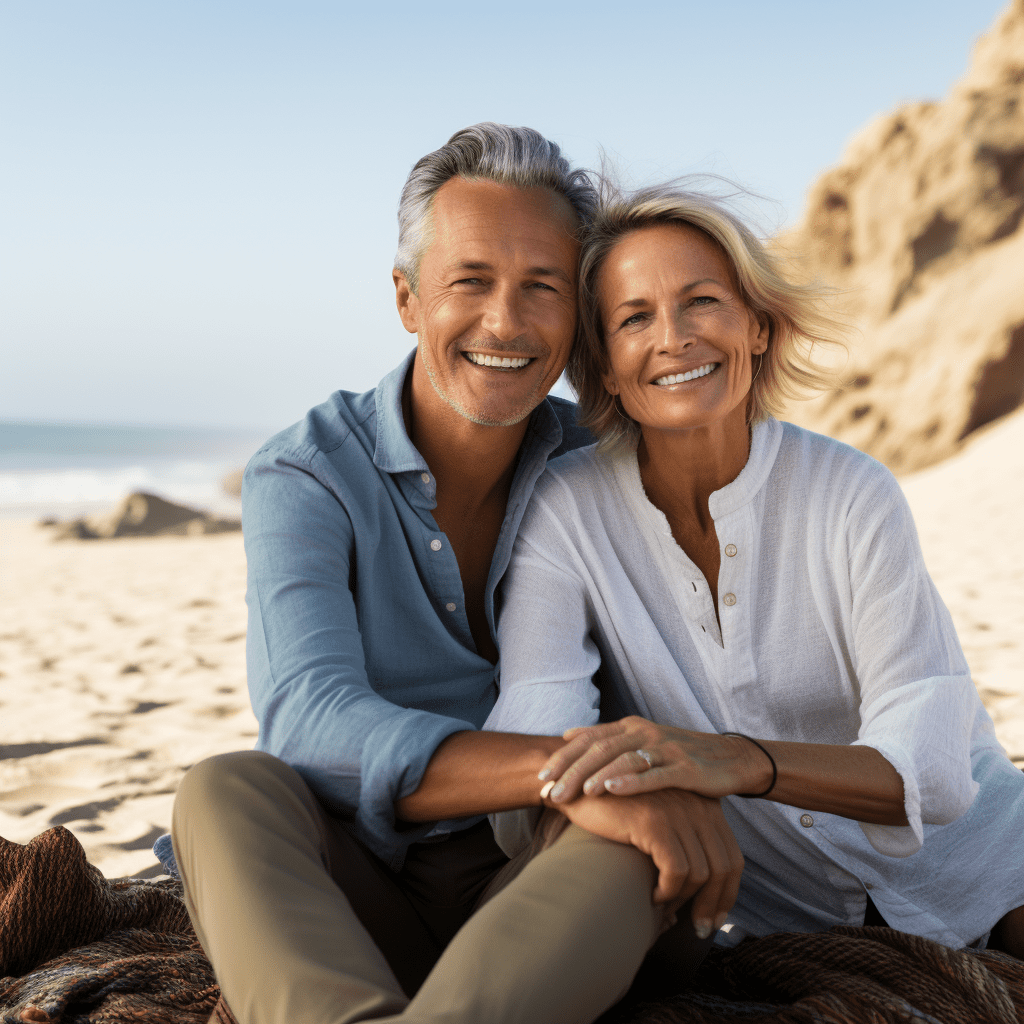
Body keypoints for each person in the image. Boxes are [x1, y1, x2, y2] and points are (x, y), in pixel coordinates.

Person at [169, 126, 743, 1024]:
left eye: (542, 287)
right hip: (369, 892)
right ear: (407, 298)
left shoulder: (609, 466)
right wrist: (563, 769)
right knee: (223, 788)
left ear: (578, 313)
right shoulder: (307, 473)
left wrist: (604, 788)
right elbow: (311, 722)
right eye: (469, 281)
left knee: (640, 823)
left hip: (569, 884)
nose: (506, 322)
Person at [486, 178, 1024, 956]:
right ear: (605, 368)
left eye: (702, 301)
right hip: (779, 918)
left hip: (979, 864)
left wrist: (739, 762)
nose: (674, 337)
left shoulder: (851, 492)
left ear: (759, 328)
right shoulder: (565, 515)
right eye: (635, 318)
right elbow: (534, 730)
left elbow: (933, 771)